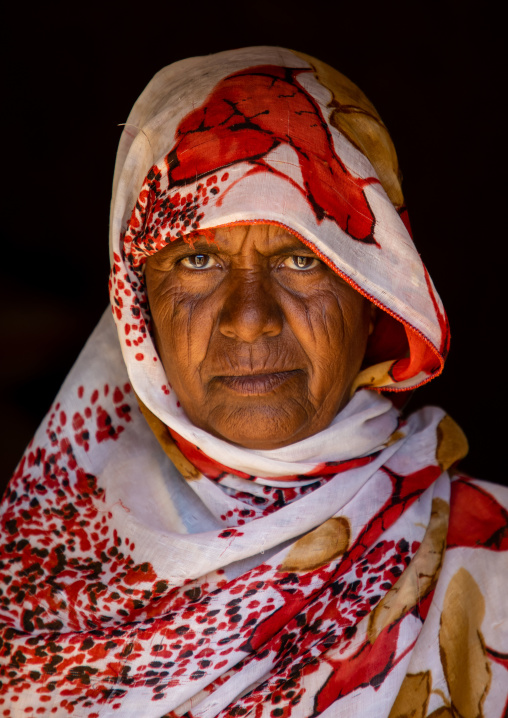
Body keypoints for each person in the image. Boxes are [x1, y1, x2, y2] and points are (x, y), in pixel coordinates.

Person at [0, 46, 506, 717]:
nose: (248, 318)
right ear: (136, 304)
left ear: (375, 293)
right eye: (199, 257)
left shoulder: (493, 567)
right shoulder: (33, 580)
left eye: (301, 258)